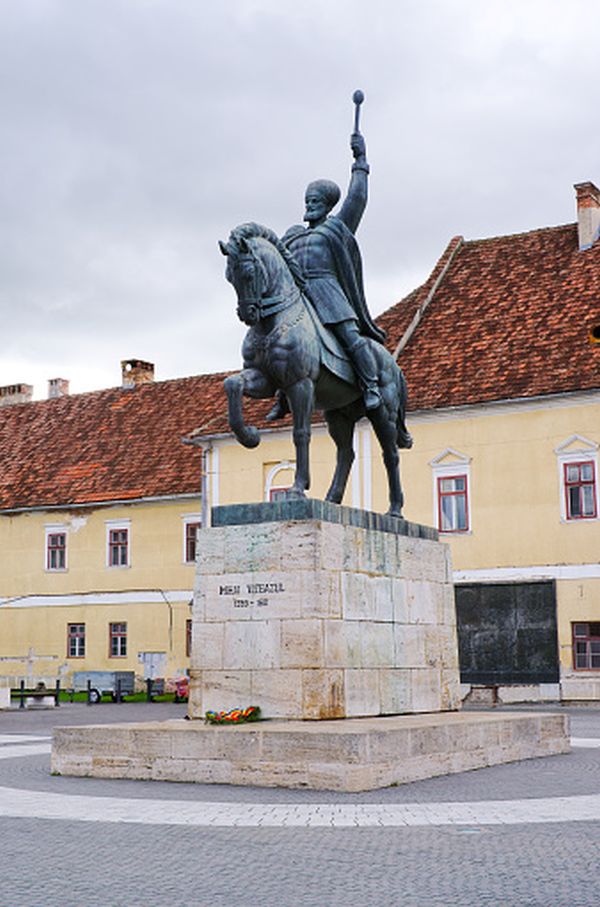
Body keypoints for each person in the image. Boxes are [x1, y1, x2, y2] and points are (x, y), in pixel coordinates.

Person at [266, 131, 386, 421]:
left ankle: (370, 386)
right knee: (283, 339)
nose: (309, 204)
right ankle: (283, 395)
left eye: (316, 200)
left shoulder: (336, 227)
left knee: (350, 337)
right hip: (299, 296)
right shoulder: (293, 236)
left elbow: (357, 197)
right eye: (307, 199)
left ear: (328, 204)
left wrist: (361, 161)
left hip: (328, 293)